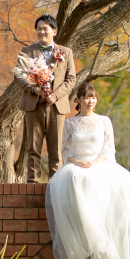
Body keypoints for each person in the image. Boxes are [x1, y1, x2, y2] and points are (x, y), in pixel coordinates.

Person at [45, 83, 130, 259]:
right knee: (74, 176)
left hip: (100, 162)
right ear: (79, 100)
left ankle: (102, 241)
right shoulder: (70, 123)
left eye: (93, 97)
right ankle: (84, 238)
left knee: (127, 185)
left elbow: (109, 150)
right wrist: (77, 161)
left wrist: (94, 162)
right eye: (86, 97)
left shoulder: (104, 121)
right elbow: (66, 150)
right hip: (77, 164)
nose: (90, 101)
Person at [14, 14, 76, 182]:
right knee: (33, 147)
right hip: (33, 105)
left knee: (56, 149)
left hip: (57, 106)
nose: (41, 32)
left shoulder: (66, 52)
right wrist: (34, 90)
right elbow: (18, 77)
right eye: (38, 29)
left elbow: (71, 79)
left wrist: (56, 95)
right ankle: (32, 183)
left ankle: (56, 184)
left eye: (45, 29)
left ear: (54, 31)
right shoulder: (26, 52)